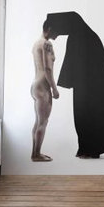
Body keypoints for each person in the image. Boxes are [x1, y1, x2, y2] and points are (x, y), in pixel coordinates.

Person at [44, 12, 104, 158]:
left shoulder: (82, 37)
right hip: (85, 85)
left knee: (88, 113)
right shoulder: (80, 36)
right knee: (82, 113)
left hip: (92, 86)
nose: (54, 36)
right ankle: (86, 148)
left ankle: (91, 149)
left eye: (53, 32)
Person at [30, 21, 59, 161]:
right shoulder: (47, 44)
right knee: (43, 122)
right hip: (43, 86)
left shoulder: (37, 43)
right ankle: (36, 154)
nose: (58, 34)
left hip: (35, 85)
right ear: (49, 29)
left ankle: (35, 153)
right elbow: (47, 69)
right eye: (57, 31)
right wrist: (54, 88)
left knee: (38, 121)